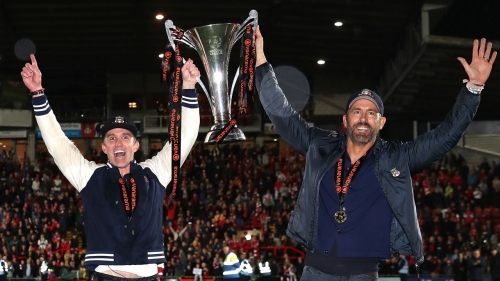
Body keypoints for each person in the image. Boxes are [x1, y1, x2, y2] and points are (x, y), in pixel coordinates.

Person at [254, 26, 497, 280]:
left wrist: (474, 88)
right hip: (315, 272)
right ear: (345, 120)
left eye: (371, 113)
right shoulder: (319, 146)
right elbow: (281, 113)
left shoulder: (398, 157)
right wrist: (260, 60)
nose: (363, 118)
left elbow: (445, 136)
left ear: (381, 123)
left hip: (364, 274)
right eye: (357, 111)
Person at [20, 54, 201, 280]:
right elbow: (57, 144)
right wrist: (38, 93)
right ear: (104, 148)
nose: (119, 142)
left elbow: (186, 135)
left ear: (135, 145)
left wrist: (189, 86)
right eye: (111, 138)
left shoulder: (155, 172)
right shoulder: (89, 176)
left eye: (125, 136)